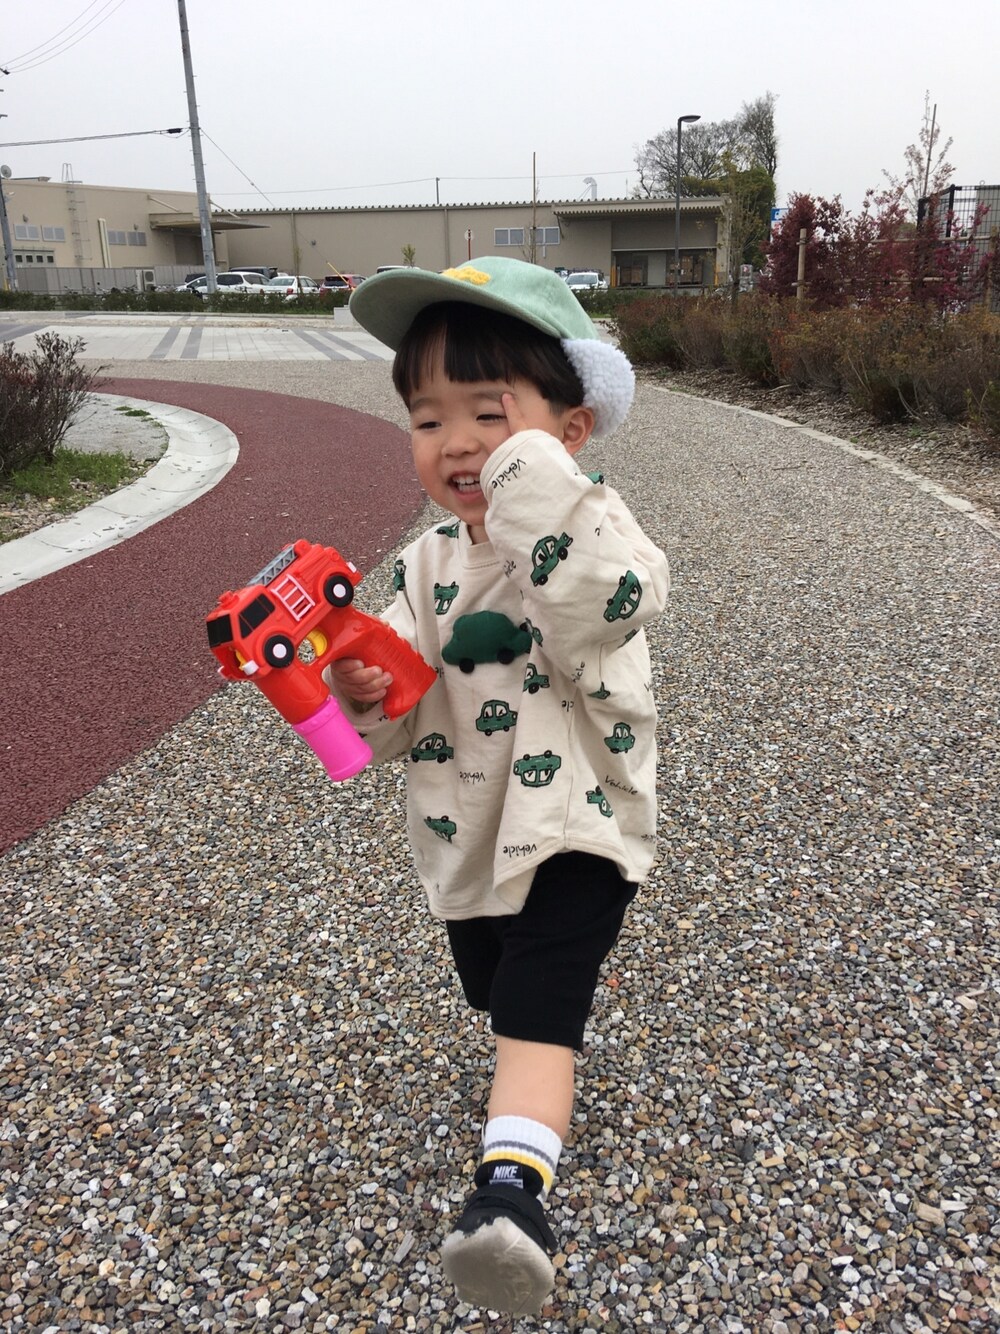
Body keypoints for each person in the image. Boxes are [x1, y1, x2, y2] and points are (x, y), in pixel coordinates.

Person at [326, 256, 669, 1316]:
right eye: (428, 419)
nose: (459, 441)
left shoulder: (599, 533)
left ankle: (511, 1196)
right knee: (495, 987)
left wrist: (532, 487)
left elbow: (599, 603)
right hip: (467, 824)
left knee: (531, 1009)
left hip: (578, 818)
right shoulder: (424, 564)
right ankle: (535, 1054)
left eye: (490, 413)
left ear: (571, 428)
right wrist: (364, 685)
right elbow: (391, 721)